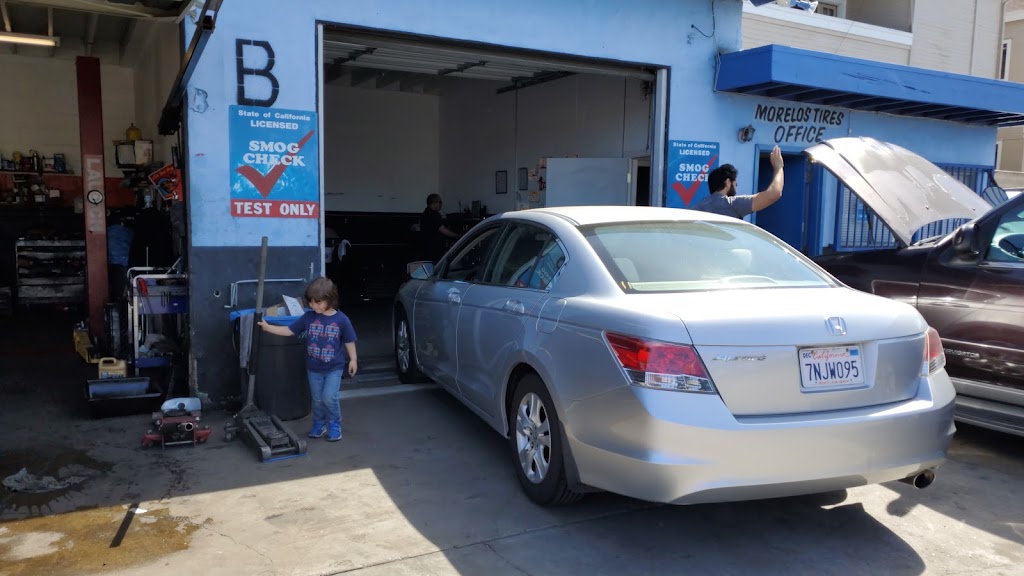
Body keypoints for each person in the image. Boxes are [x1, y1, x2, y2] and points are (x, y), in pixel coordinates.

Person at [258, 277, 357, 442]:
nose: (313, 306)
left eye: (318, 302)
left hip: (334, 367)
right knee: (317, 399)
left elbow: (349, 340)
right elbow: (289, 331)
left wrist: (353, 359)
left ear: (330, 299)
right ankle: (319, 423)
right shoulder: (308, 318)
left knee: (329, 396)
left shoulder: (342, 320)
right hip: (313, 368)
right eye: (311, 302)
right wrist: (269, 328)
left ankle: (334, 424)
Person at [692, 145, 785, 219]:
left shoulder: (697, 208)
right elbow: (774, 193)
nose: (736, 189)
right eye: (735, 184)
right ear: (728, 182)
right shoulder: (732, 204)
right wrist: (778, 167)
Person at [419, 193, 460, 263]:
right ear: (434, 203)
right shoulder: (434, 215)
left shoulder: (425, 213)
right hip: (433, 250)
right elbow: (444, 231)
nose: (441, 204)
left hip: (425, 247)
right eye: (440, 202)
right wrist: (459, 236)